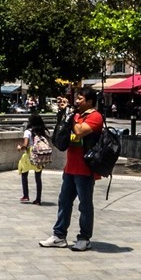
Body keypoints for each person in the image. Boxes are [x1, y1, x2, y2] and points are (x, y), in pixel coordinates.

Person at [39, 88, 103, 252]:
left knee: (85, 206)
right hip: (70, 168)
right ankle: (59, 235)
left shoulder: (95, 117)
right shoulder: (75, 115)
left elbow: (80, 132)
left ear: (89, 101)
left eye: (80, 98)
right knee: (64, 202)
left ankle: (84, 238)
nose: (77, 101)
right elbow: (61, 137)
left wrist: (69, 115)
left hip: (85, 170)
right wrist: (63, 113)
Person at [17, 113, 47, 204]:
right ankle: (38, 199)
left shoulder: (28, 132)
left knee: (24, 173)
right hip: (39, 155)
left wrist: (20, 148)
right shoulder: (41, 132)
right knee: (38, 178)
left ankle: (26, 195)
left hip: (29, 154)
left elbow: (25, 145)